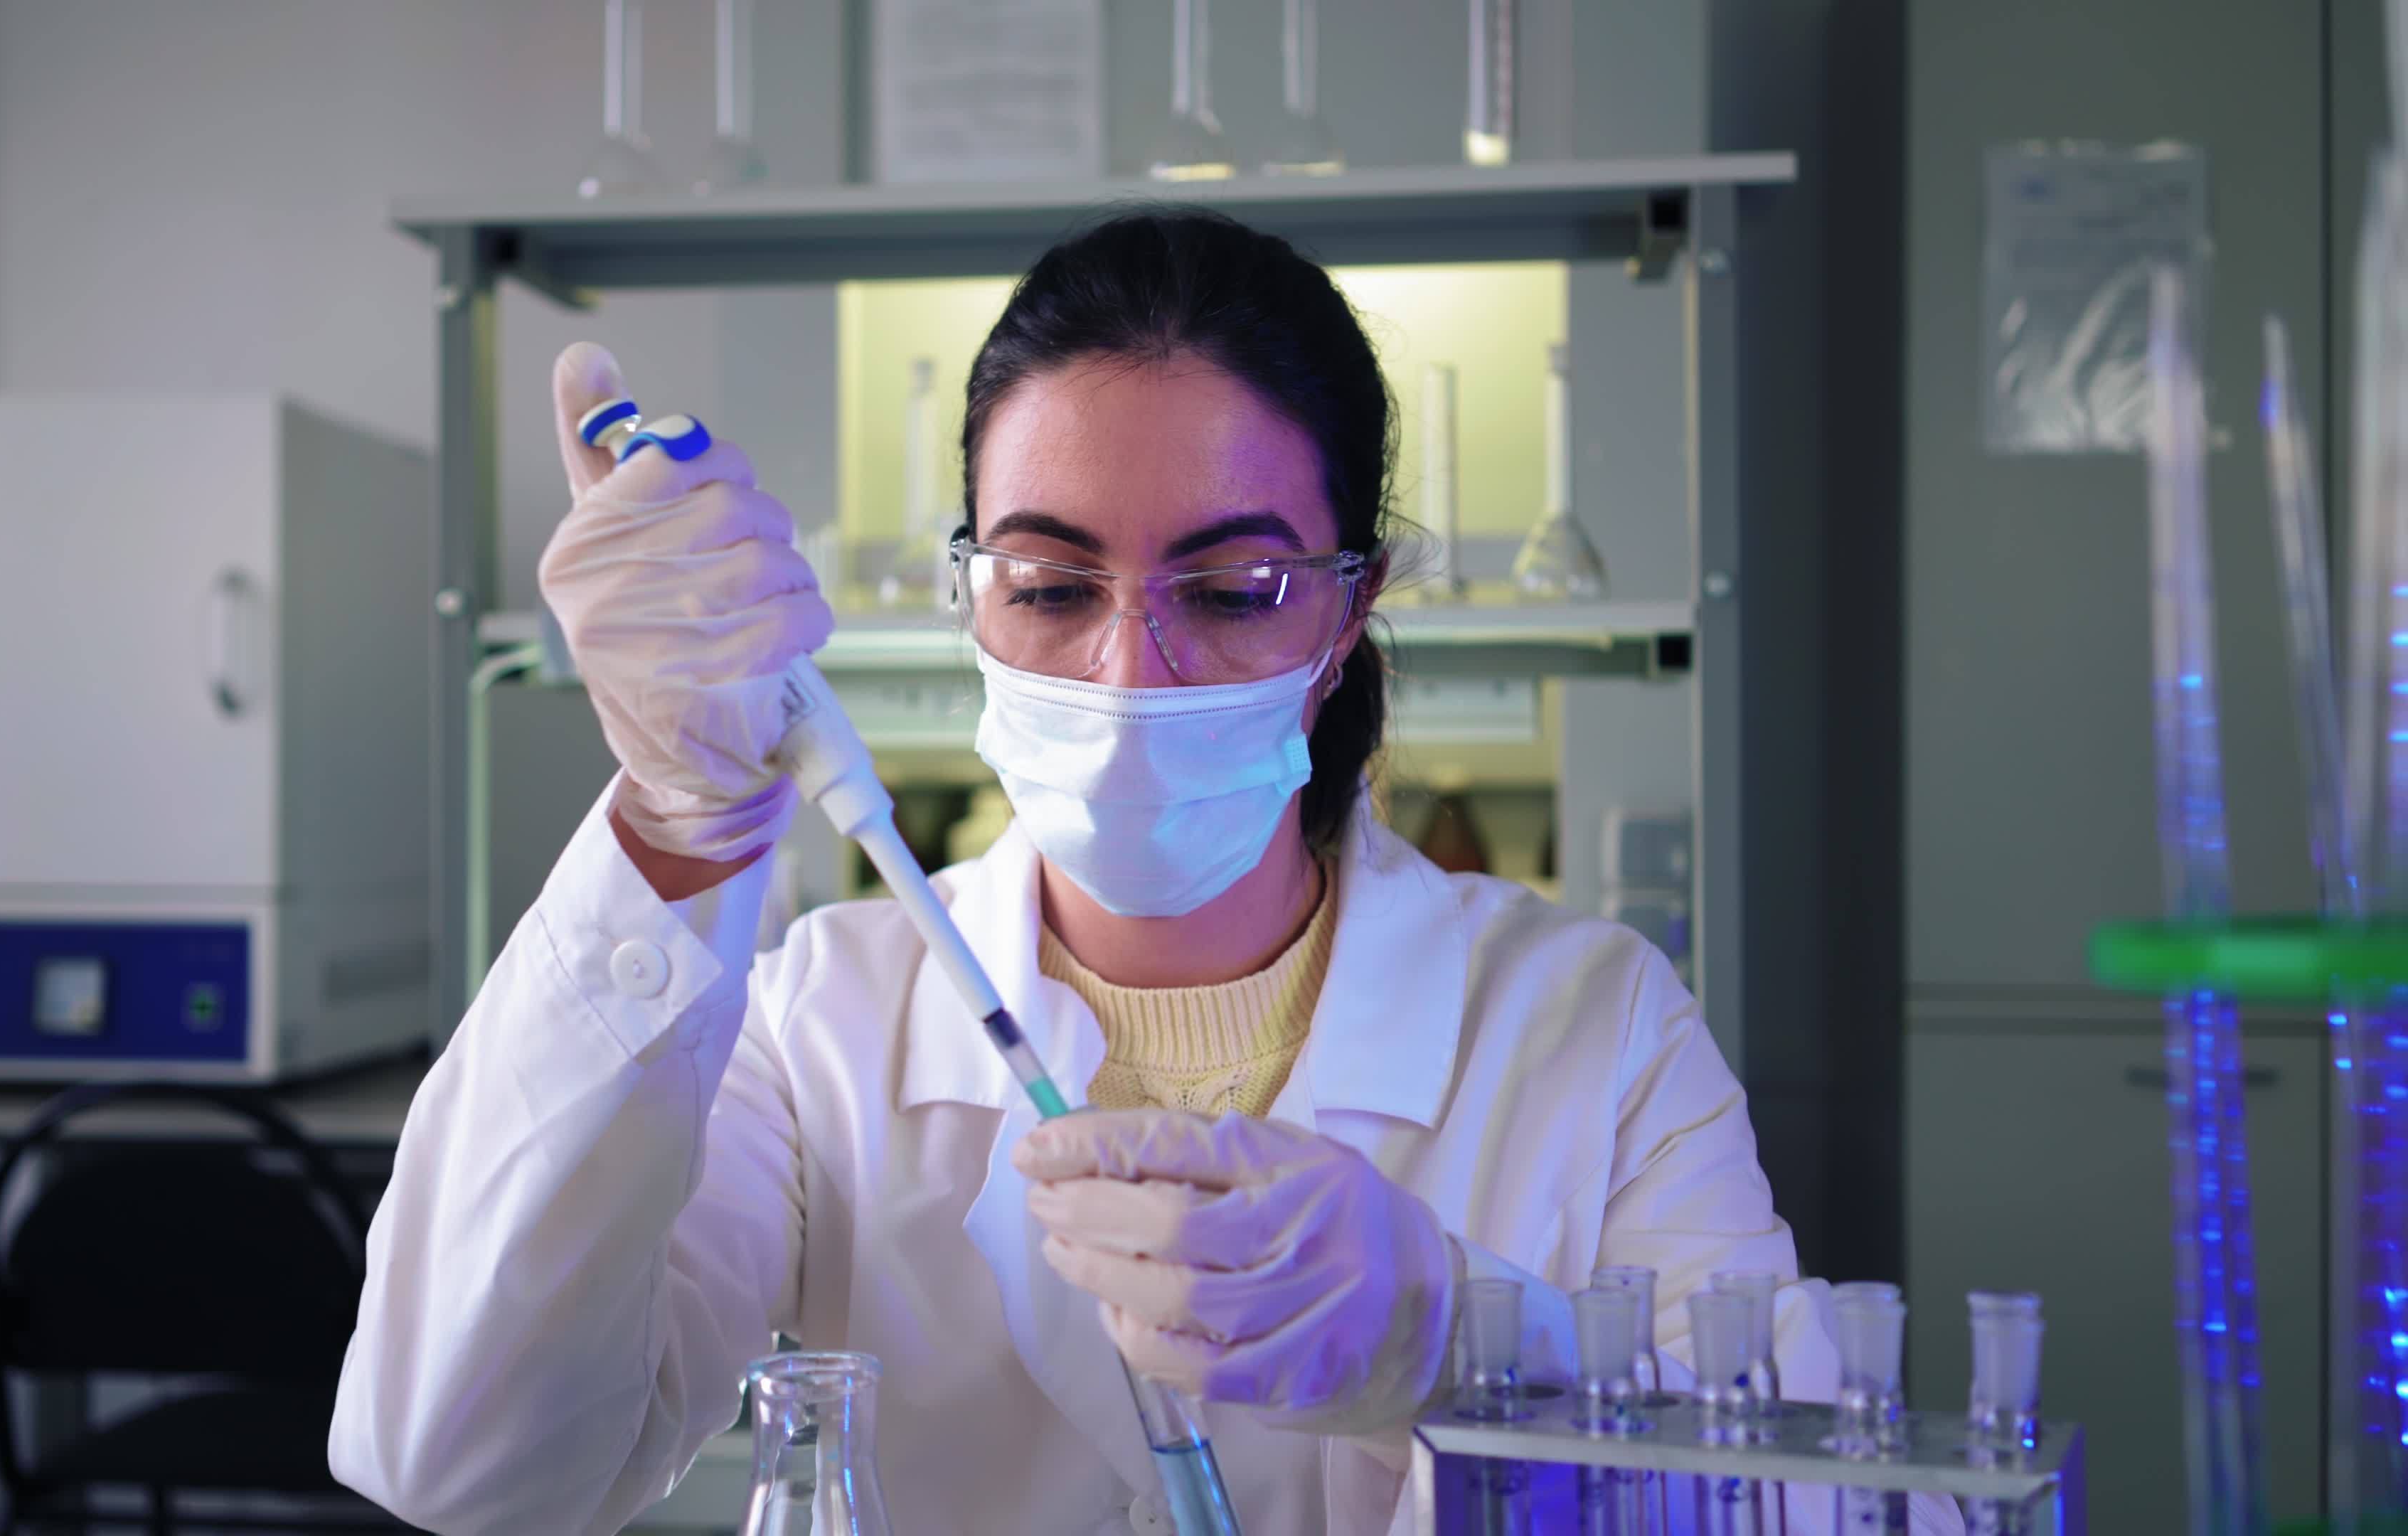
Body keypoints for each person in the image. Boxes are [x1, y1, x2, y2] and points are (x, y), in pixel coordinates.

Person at [331, 209, 1939, 1535]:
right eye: (1049, 582)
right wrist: (676, 823)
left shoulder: (1594, 1029)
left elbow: (1839, 1507)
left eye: (1232, 587)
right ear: (970, 594)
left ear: (1347, 610)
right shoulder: (825, 1022)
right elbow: (468, 1459)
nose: (1130, 670)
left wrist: (1467, 1349)